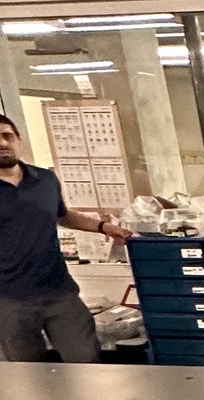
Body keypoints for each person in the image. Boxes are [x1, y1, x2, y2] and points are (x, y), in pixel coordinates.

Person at [0, 111, 131, 362]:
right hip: (9, 300)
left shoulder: (45, 180)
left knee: (86, 360)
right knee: (27, 372)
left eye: (7, 136)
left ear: (18, 139)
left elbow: (62, 214)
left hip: (59, 293)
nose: (3, 143)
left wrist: (103, 227)